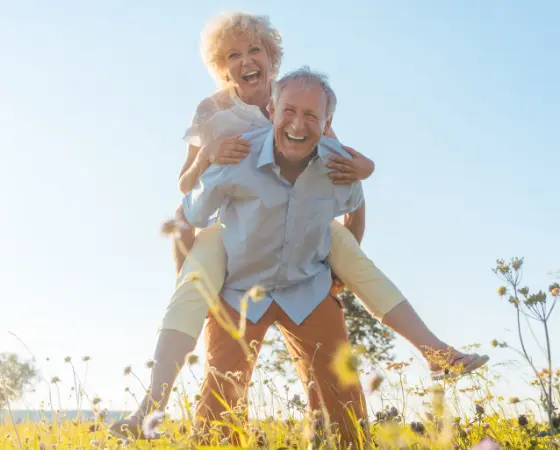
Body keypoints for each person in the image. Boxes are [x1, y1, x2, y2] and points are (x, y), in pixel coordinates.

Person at [109, 11, 488, 439]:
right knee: (209, 352)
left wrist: (364, 175)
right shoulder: (216, 116)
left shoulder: (300, 105)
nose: (246, 59)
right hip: (238, 248)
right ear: (222, 67)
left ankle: (432, 348)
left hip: (303, 268)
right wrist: (208, 155)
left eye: (255, 50)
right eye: (233, 54)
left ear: (273, 60)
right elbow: (186, 197)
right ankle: (151, 405)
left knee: (350, 260)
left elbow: (345, 169)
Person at [189, 67, 367, 445]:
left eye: (311, 116)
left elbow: (356, 202)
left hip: (307, 286)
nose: (297, 124)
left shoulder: (337, 164)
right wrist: (196, 289)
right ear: (272, 109)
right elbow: (192, 214)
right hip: (240, 289)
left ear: (327, 122)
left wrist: (343, 269)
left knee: (342, 400)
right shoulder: (238, 154)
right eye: (289, 111)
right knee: (221, 400)